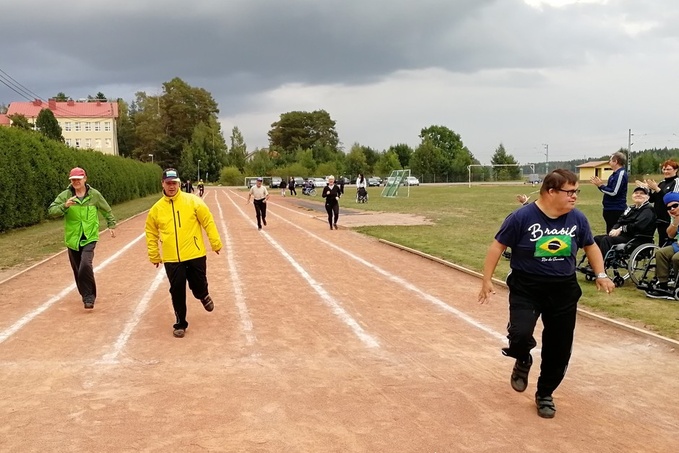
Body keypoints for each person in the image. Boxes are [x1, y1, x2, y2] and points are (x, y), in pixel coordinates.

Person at [478, 169, 615, 419]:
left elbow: (590, 245)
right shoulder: (521, 217)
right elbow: (497, 245)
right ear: (551, 191)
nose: (574, 196)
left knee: (559, 347)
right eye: (569, 191)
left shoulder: (577, 218)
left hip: (563, 289)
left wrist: (601, 274)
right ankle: (523, 358)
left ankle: (544, 394)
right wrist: (486, 279)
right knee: (520, 334)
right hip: (527, 287)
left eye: (576, 191)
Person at [144, 168, 222, 338]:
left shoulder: (193, 201)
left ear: (179, 183)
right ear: (162, 184)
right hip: (172, 258)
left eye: (174, 183)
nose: (171, 186)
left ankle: (203, 295)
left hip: (195, 253)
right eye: (168, 183)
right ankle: (180, 323)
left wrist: (215, 242)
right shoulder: (156, 209)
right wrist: (154, 254)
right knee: (177, 289)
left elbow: (208, 221)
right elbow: (151, 232)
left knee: (198, 285)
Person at [48, 167, 117, 309]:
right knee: (78, 269)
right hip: (73, 238)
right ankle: (85, 294)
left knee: (85, 264)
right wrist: (64, 206)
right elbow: (51, 211)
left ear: (85, 179)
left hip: (90, 237)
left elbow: (106, 209)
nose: (76, 182)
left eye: (78, 179)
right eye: (73, 179)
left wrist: (111, 224)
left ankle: (89, 297)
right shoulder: (66, 195)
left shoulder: (94, 195)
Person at [591, 186, 656, 261]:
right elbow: (620, 220)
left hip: (637, 238)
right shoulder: (631, 208)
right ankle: (593, 263)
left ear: (648, 197)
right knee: (597, 239)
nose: (638, 195)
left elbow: (638, 226)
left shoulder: (648, 210)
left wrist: (621, 229)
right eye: (636, 193)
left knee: (607, 240)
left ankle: (603, 264)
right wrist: (614, 229)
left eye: (642, 193)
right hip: (625, 236)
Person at [645, 192, 679, 299]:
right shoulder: (674, 217)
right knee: (660, 253)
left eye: (675, 205)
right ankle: (663, 284)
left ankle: (677, 283)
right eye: (669, 207)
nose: (672, 209)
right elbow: (670, 234)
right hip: (678, 245)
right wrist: (675, 222)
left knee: (676, 258)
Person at [638, 159, 679, 245]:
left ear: (676, 170)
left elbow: (672, 200)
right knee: (661, 242)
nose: (665, 171)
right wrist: (648, 189)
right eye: (664, 169)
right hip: (658, 218)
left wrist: (657, 189)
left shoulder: (676, 182)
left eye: (668, 169)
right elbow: (652, 199)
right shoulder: (662, 183)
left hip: (669, 218)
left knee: (668, 242)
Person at [590, 152, 628, 233]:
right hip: (609, 209)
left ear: (616, 161)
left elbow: (614, 192)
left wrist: (601, 186)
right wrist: (600, 186)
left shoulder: (620, 174)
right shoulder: (614, 174)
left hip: (616, 209)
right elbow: (609, 190)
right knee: (609, 232)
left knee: (614, 233)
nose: (609, 162)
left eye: (610, 160)